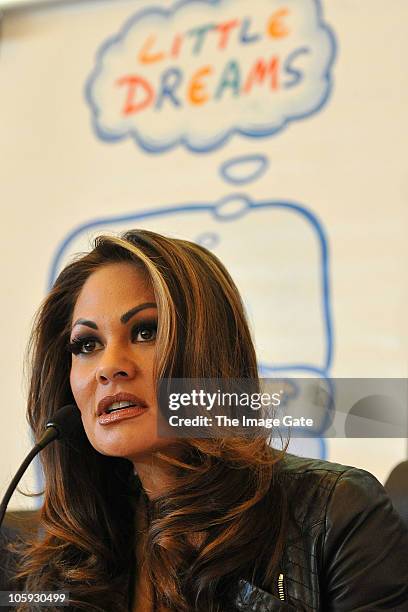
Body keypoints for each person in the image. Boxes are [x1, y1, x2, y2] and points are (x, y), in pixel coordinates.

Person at [1, 228, 408, 612]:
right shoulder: (65, 551)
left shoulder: (335, 513)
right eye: (87, 344)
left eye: (146, 332)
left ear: (210, 355)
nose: (108, 367)